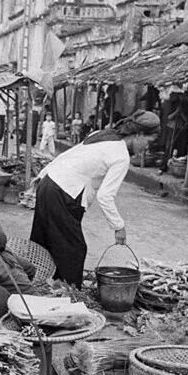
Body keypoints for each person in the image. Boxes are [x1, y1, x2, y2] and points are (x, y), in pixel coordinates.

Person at [30, 109, 161, 287]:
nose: (146, 148)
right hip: (63, 192)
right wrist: (119, 226)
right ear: (138, 134)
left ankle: (37, 287)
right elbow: (105, 196)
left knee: (44, 242)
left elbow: (70, 155)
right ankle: (70, 297)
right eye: (148, 141)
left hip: (49, 183)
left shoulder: (103, 135)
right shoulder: (121, 155)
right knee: (74, 250)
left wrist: (41, 177)